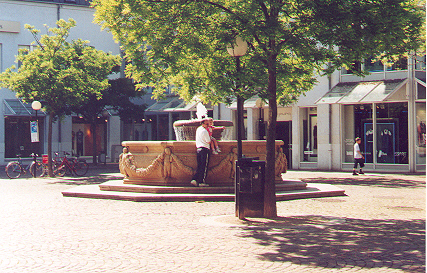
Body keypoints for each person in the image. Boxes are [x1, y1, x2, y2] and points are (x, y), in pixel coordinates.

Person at [190, 118, 211, 187]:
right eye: (207, 124)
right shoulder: (205, 131)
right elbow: (208, 141)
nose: (208, 125)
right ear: (203, 124)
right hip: (205, 149)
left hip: (198, 149)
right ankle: (202, 181)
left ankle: (195, 179)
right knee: (204, 166)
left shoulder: (198, 129)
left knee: (200, 166)